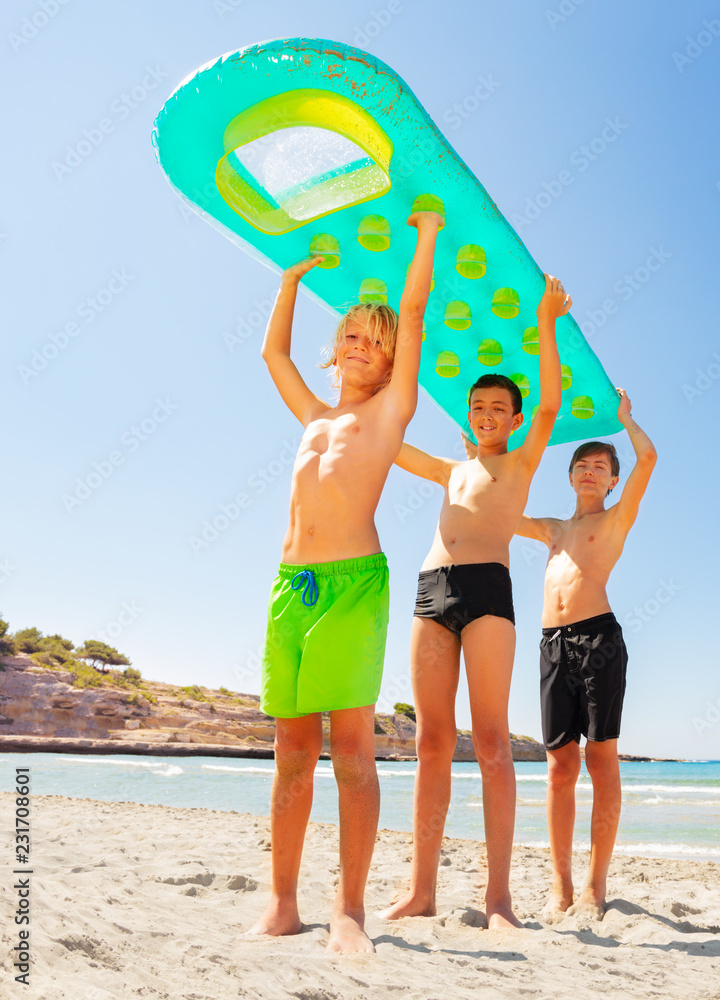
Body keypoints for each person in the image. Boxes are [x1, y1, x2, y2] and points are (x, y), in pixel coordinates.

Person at [249, 207, 444, 954]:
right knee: (292, 749)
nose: (363, 346)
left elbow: (417, 311)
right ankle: (282, 903)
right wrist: (291, 281)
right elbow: (273, 356)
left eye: (378, 340)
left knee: (353, 751)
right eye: (353, 335)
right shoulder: (312, 416)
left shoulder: (392, 413)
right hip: (289, 587)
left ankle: (349, 909)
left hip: (354, 585)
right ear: (337, 348)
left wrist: (424, 239)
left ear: (394, 362)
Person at [380, 274, 571, 929]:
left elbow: (549, 406)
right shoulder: (452, 467)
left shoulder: (519, 463)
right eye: (478, 407)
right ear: (468, 414)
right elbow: (390, 441)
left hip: (489, 595)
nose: (488, 416)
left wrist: (545, 319)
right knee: (432, 742)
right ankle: (422, 889)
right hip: (431, 592)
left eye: (499, 409)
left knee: (490, 740)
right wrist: (381, 380)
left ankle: (498, 899)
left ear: (513, 421)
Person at [515, 389, 656, 920]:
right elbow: (500, 511)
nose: (590, 472)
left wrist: (626, 417)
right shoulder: (552, 529)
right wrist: (474, 457)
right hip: (551, 645)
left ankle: (596, 887)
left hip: (598, 641)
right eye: (582, 465)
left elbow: (649, 458)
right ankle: (560, 886)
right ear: (570, 476)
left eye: (600, 466)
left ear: (612, 479)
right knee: (558, 769)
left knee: (601, 759)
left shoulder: (616, 519)